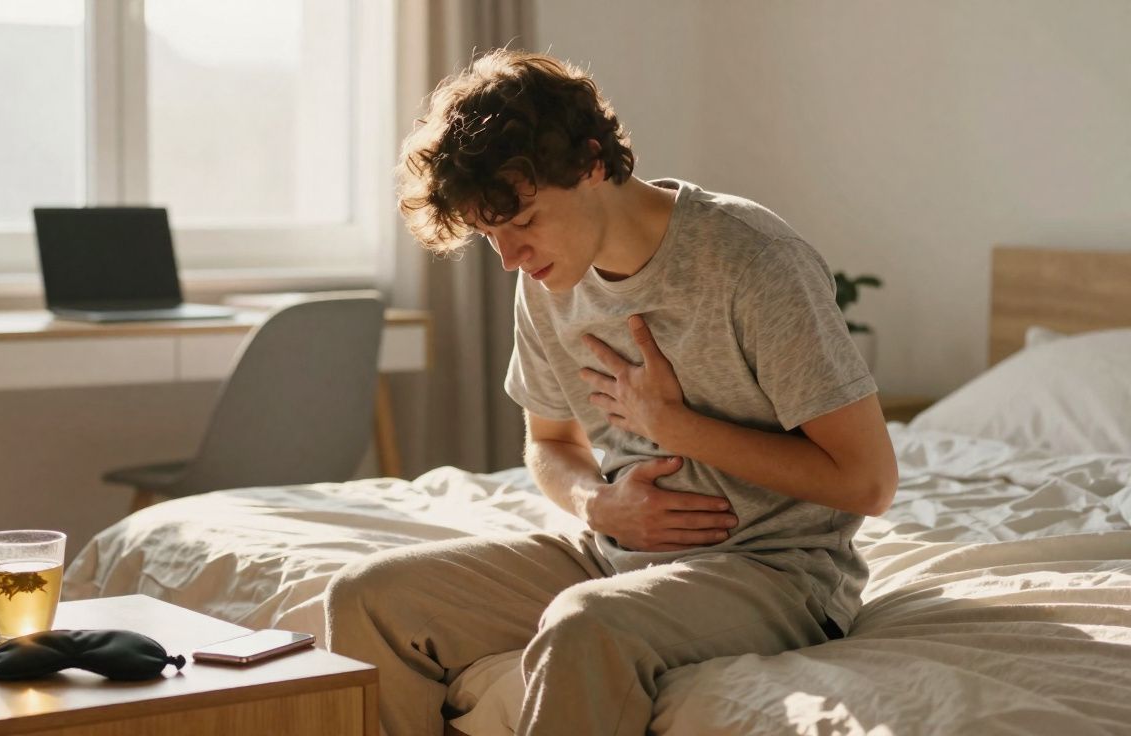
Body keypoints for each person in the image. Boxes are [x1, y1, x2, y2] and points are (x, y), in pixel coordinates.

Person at [325, 49, 898, 736]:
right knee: (365, 598)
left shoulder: (753, 260)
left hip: (775, 571)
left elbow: (869, 483)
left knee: (583, 624)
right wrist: (598, 504)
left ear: (591, 164)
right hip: (615, 554)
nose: (509, 258)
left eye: (523, 222)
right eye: (489, 235)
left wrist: (680, 430)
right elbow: (548, 444)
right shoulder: (545, 280)